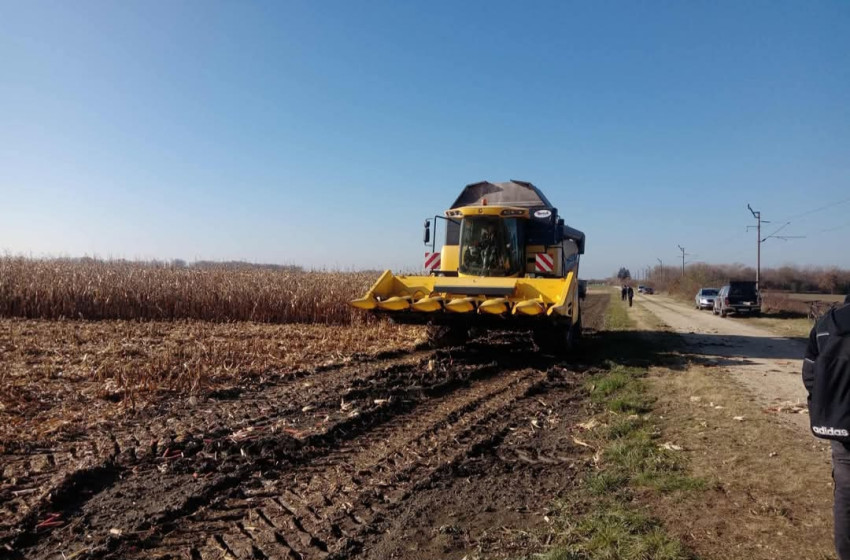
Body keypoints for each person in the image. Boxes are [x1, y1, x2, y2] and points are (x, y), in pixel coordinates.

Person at [803, 294, 850, 560]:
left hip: (843, 429)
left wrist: (830, 404)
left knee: (846, 496)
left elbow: (810, 376)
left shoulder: (825, 324)